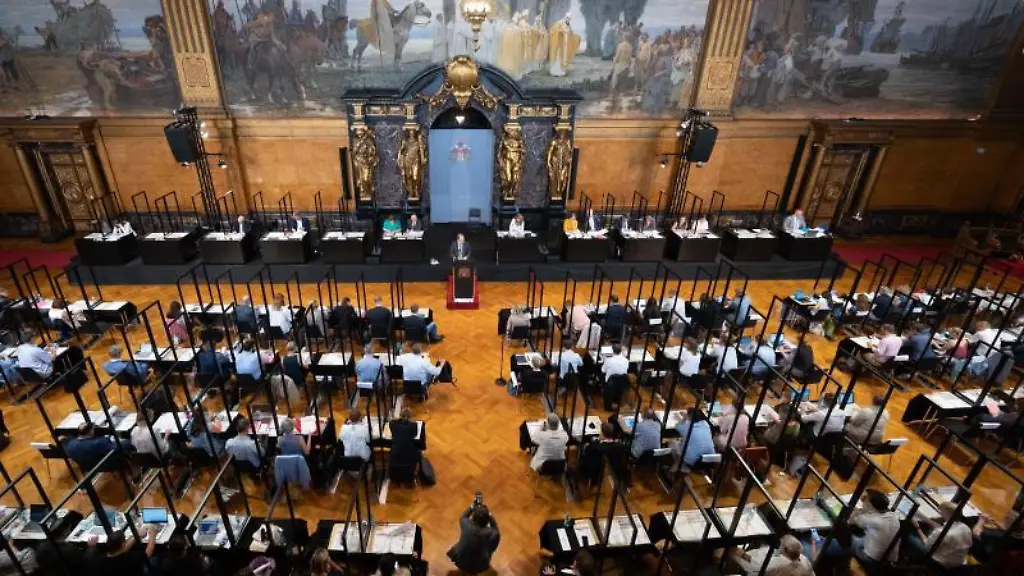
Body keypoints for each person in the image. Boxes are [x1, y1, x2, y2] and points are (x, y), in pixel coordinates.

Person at [908, 501, 972, 569]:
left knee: (910, 535)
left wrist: (917, 528)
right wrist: (928, 520)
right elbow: (944, 530)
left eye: (941, 512)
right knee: (929, 530)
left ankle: (912, 560)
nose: (940, 513)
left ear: (947, 514)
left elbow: (926, 546)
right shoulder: (966, 527)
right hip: (957, 563)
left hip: (940, 564)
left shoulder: (940, 532)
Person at [448, 500, 500, 574]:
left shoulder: (466, 525)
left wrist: (472, 506)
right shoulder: (490, 533)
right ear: (487, 521)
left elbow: (463, 517)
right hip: (479, 566)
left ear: (473, 518)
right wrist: (489, 514)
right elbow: (496, 530)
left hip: (460, 560)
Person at [850, 489, 901, 565]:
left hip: (870, 557)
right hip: (890, 558)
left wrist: (855, 511)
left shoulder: (868, 520)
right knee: (867, 533)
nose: (862, 502)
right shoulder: (893, 516)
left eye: (864, 500)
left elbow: (851, 520)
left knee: (846, 540)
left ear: (870, 504)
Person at [84, 526, 157, 574]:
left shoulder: (99, 558)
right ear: (123, 544)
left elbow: (121, 550)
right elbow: (147, 555)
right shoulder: (130, 558)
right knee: (157, 558)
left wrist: (137, 536)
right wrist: (153, 536)